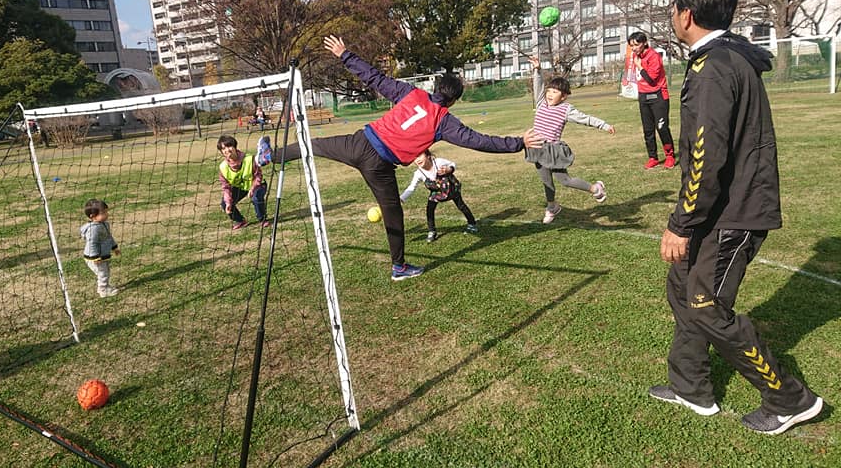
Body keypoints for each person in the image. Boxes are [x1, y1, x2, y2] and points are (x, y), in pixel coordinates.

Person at [651, 0, 822, 435]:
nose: (671, 15)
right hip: (720, 208)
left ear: (686, 14)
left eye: (672, 8)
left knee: (706, 306)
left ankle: (790, 399)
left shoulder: (715, 68)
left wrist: (681, 224)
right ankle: (690, 385)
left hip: (733, 212)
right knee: (682, 287)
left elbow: (707, 159)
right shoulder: (724, 58)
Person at [262, 35, 543, 281]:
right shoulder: (444, 121)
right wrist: (518, 143)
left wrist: (344, 55)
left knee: (315, 145)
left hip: (359, 142)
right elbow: (478, 141)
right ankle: (399, 267)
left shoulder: (412, 93)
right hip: (380, 164)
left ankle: (271, 156)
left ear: (434, 88)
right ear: (454, 100)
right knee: (392, 212)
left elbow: (375, 78)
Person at [525, 57, 615, 224]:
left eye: (555, 92)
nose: (550, 94)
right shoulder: (541, 102)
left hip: (552, 152)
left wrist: (604, 125)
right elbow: (538, 86)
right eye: (549, 90)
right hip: (536, 148)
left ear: (564, 96)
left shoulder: (566, 110)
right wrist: (537, 69)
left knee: (565, 181)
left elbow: (585, 118)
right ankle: (552, 206)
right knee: (546, 181)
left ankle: (595, 188)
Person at [399, 149, 478, 242]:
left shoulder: (438, 162)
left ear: (428, 156)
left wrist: (449, 169)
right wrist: (401, 199)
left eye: (420, 155)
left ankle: (472, 224)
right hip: (437, 193)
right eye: (415, 158)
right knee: (429, 210)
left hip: (451, 189)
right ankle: (432, 231)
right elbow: (411, 187)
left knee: (461, 206)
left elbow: (452, 164)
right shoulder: (418, 173)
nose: (417, 159)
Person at [628, 32, 674, 170]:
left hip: (658, 96)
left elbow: (651, 79)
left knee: (662, 128)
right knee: (648, 130)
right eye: (631, 46)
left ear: (644, 43)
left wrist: (640, 66)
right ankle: (653, 157)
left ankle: (670, 156)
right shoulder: (636, 56)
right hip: (643, 96)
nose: (634, 48)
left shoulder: (654, 56)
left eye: (636, 44)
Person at [217, 135, 269, 230]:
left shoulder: (249, 159)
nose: (227, 150)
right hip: (241, 188)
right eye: (223, 148)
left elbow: (258, 176)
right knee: (225, 203)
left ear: (235, 147)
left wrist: (253, 188)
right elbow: (226, 187)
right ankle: (240, 221)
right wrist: (228, 202)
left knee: (256, 198)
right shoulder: (223, 167)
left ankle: (262, 219)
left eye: (229, 146)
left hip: (258, 184)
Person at [80, 199, 120, 298]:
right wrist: (95, 257)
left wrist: (114, 247)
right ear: (92, 216)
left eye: (106, 211)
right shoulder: (93, 229)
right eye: (103, 212)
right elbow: (91, 244)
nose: (106, 214)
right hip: (94, 257)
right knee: (103, 273)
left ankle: (104, 286)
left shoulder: (105, 224)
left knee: (106, 271)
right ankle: (103, 290)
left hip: (103, 254)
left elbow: (109, 237)